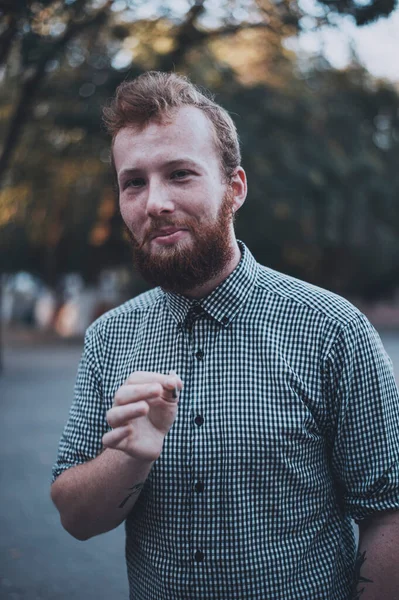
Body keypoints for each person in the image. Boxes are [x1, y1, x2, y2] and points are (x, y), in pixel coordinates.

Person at [51, 71, 399, 600]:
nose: (155, 203)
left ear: (234, 188)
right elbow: (76, 518)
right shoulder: (107, 338)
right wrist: (129, 456)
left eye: (180, 174)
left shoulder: (333, 330)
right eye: (134, 182)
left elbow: (389, 512)